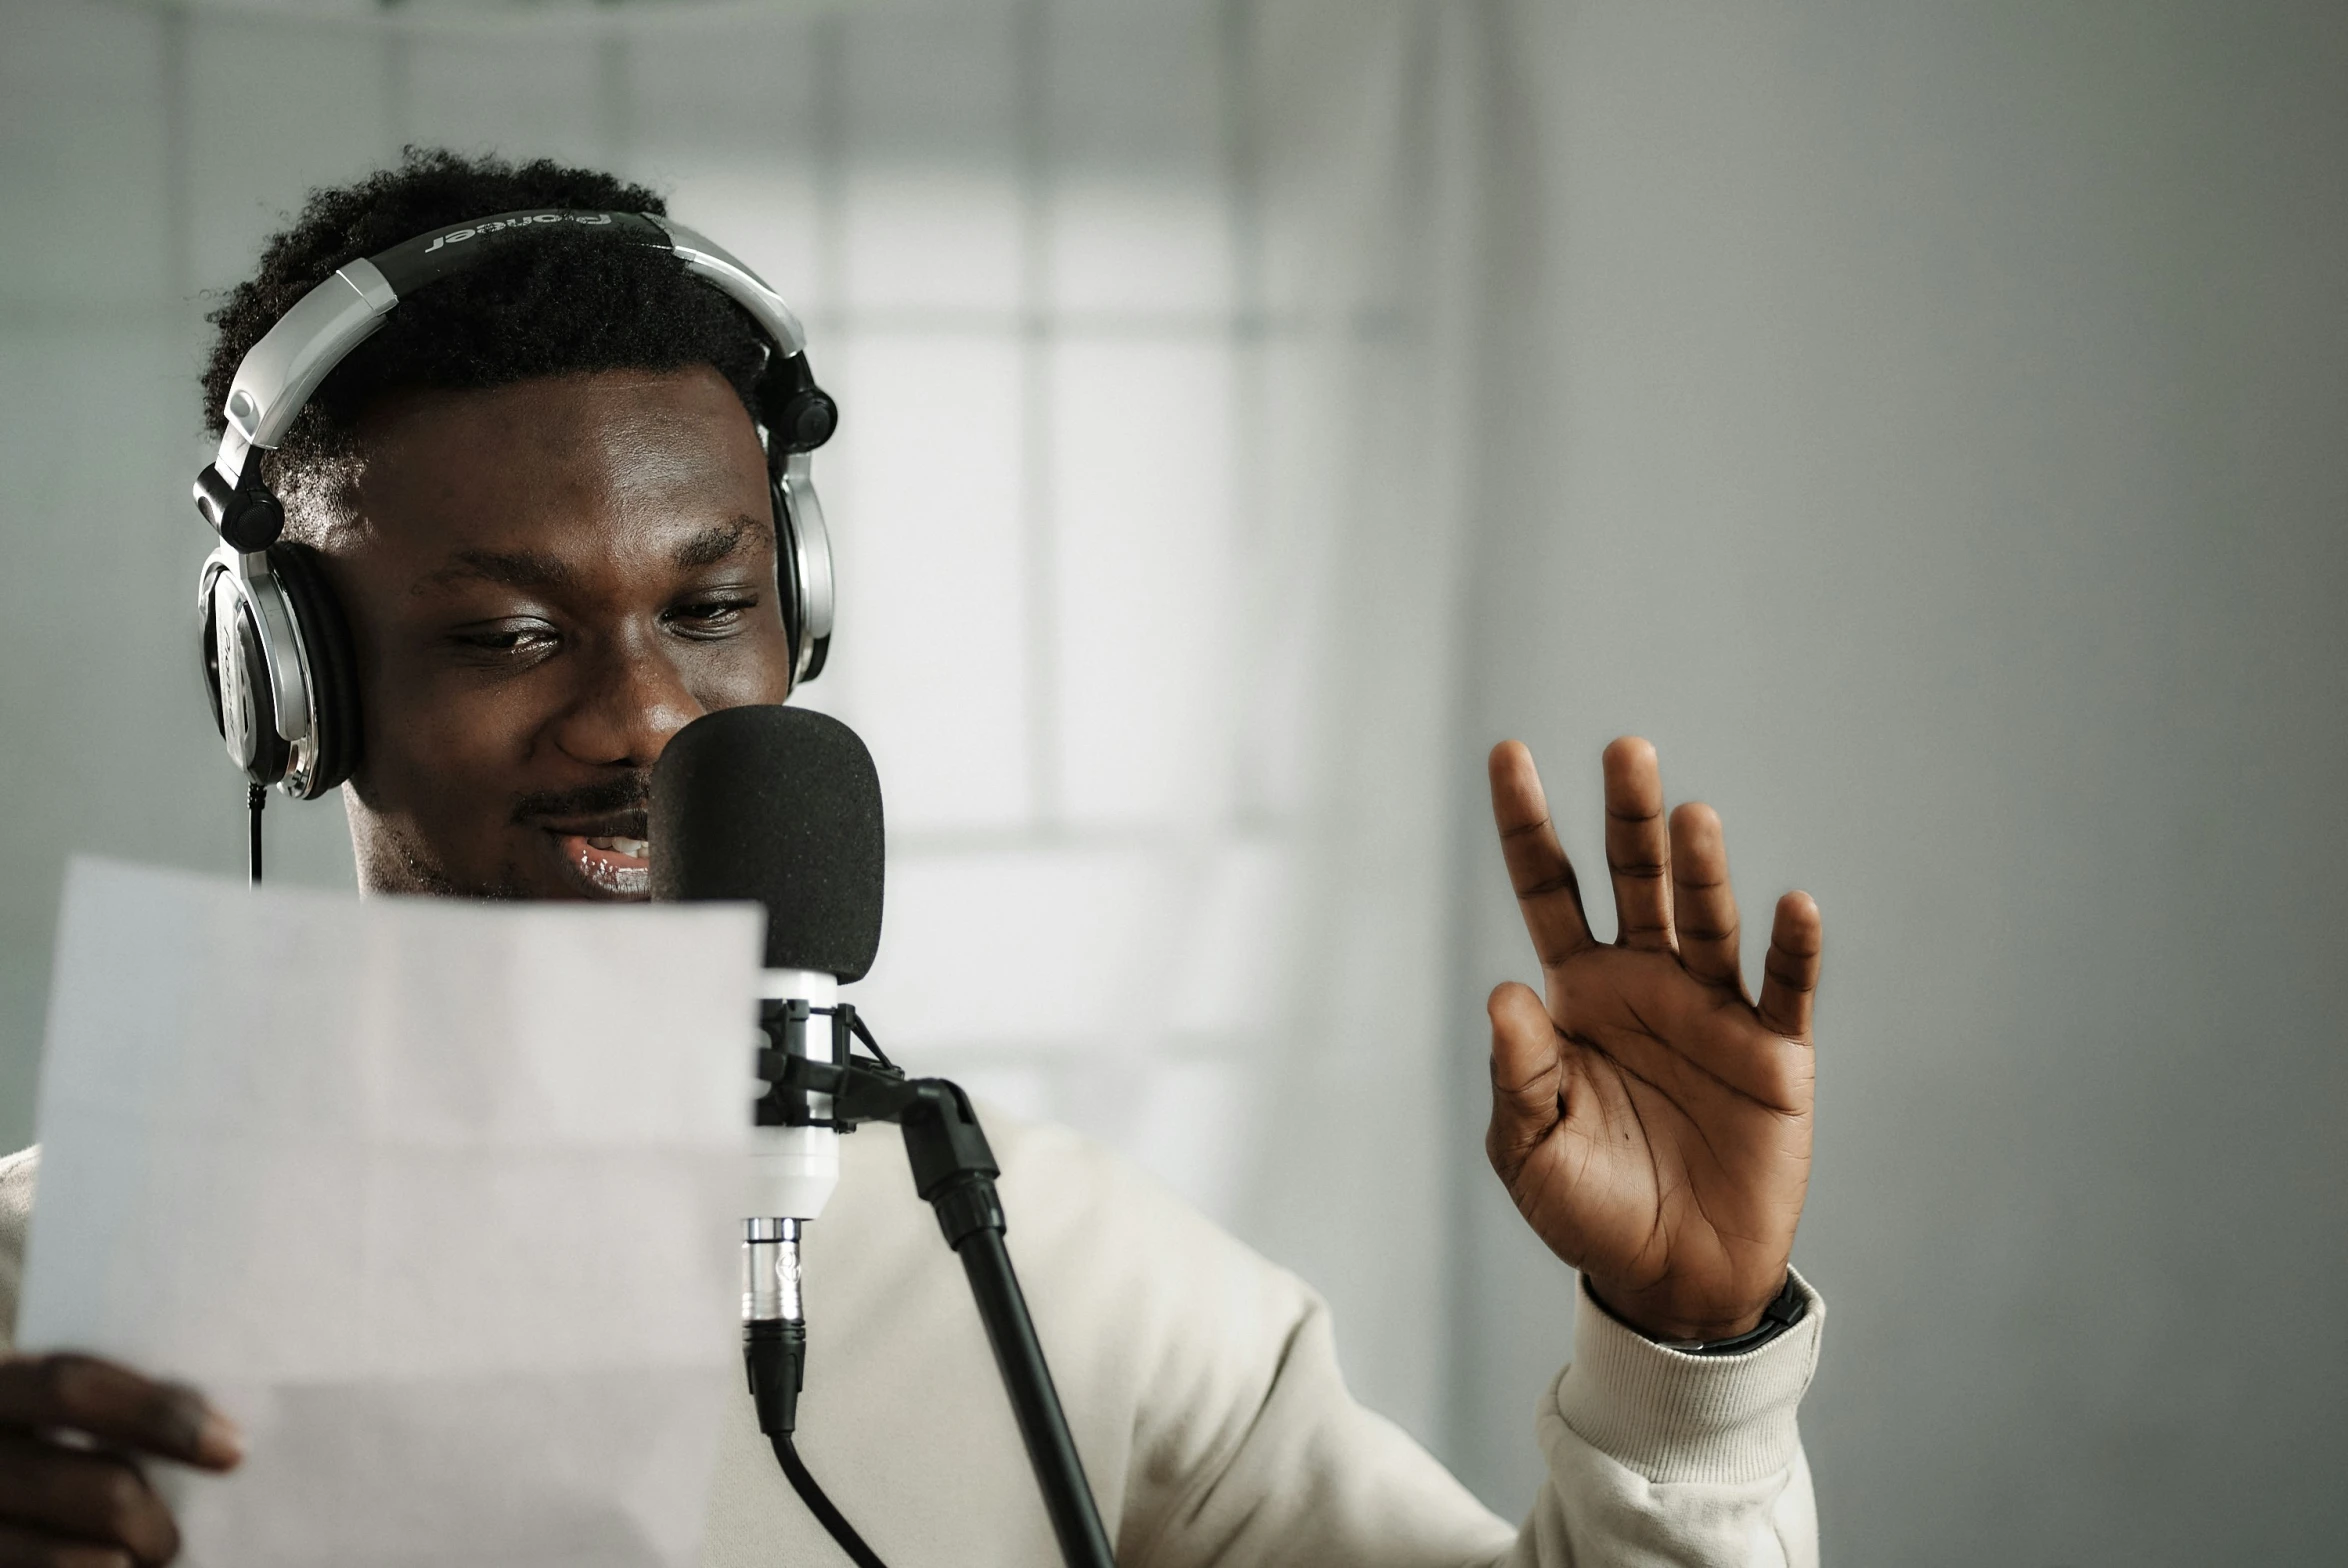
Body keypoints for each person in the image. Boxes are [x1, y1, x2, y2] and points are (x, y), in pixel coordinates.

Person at [0, 151, 1826, 1568]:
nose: (643, 718)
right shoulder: (36, 1302)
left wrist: (1687, 1352)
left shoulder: (1052, 1273)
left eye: (709, 605)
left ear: (797, 619)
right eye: (506, 634)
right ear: (292, 689)